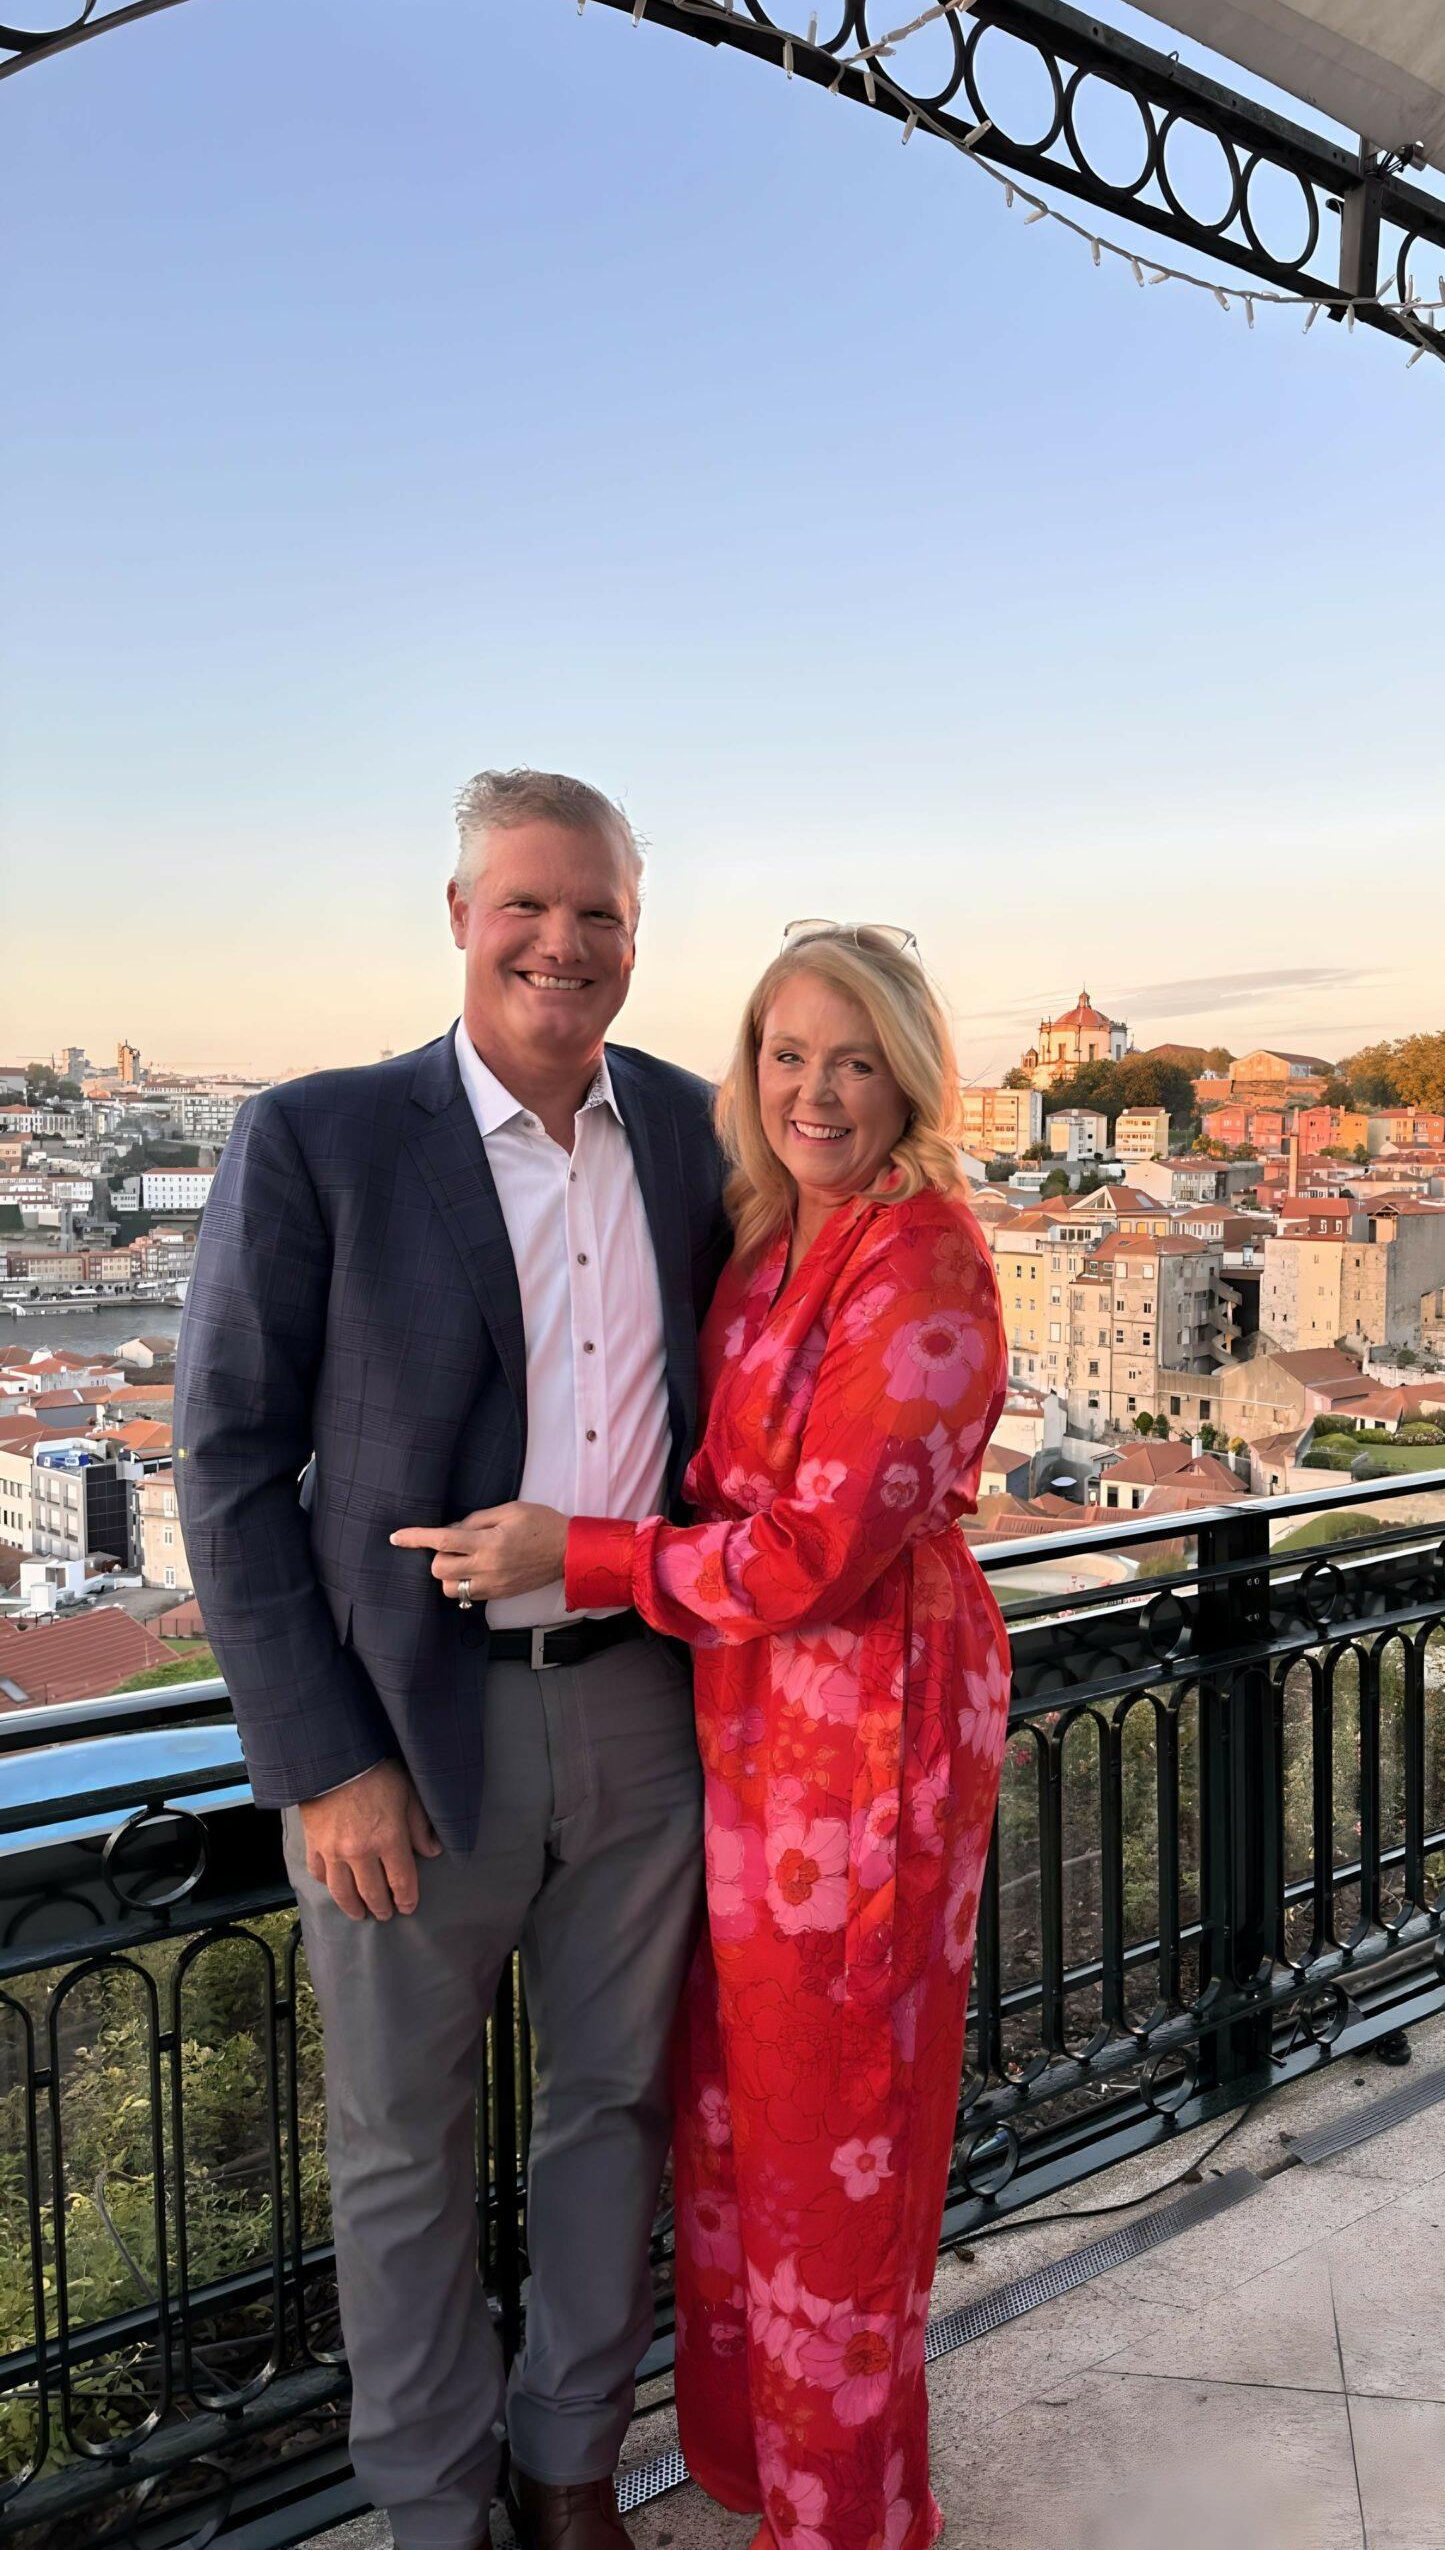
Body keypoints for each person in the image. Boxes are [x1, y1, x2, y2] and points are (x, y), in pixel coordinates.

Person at [394, 923, 1012, 2550]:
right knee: (740, 2139)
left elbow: (816, 1551)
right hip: (744, 1734)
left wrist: (570, 1554)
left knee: (841, 2157)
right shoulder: (773, 1233)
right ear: (749, 1070)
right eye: (786, 1054)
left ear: (909, 1077)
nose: (815, 1090)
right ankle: (760, 2478)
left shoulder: (923, 1256)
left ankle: (850, 2522)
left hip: (866, 1727)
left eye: (854, 1059)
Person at [177, 769, 732, 2550]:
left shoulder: (697, 1132)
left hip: (644, 1705)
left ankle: (571, 2472)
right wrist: (319, 1760)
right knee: (403, 2153)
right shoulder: (322, 1136)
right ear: (460, 915)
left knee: (613, 2111)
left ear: (638, 940)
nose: (562, 944)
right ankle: (434, 2511)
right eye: (529, 906)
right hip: (408, 1739)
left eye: (600, 916)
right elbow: (228, 1464)